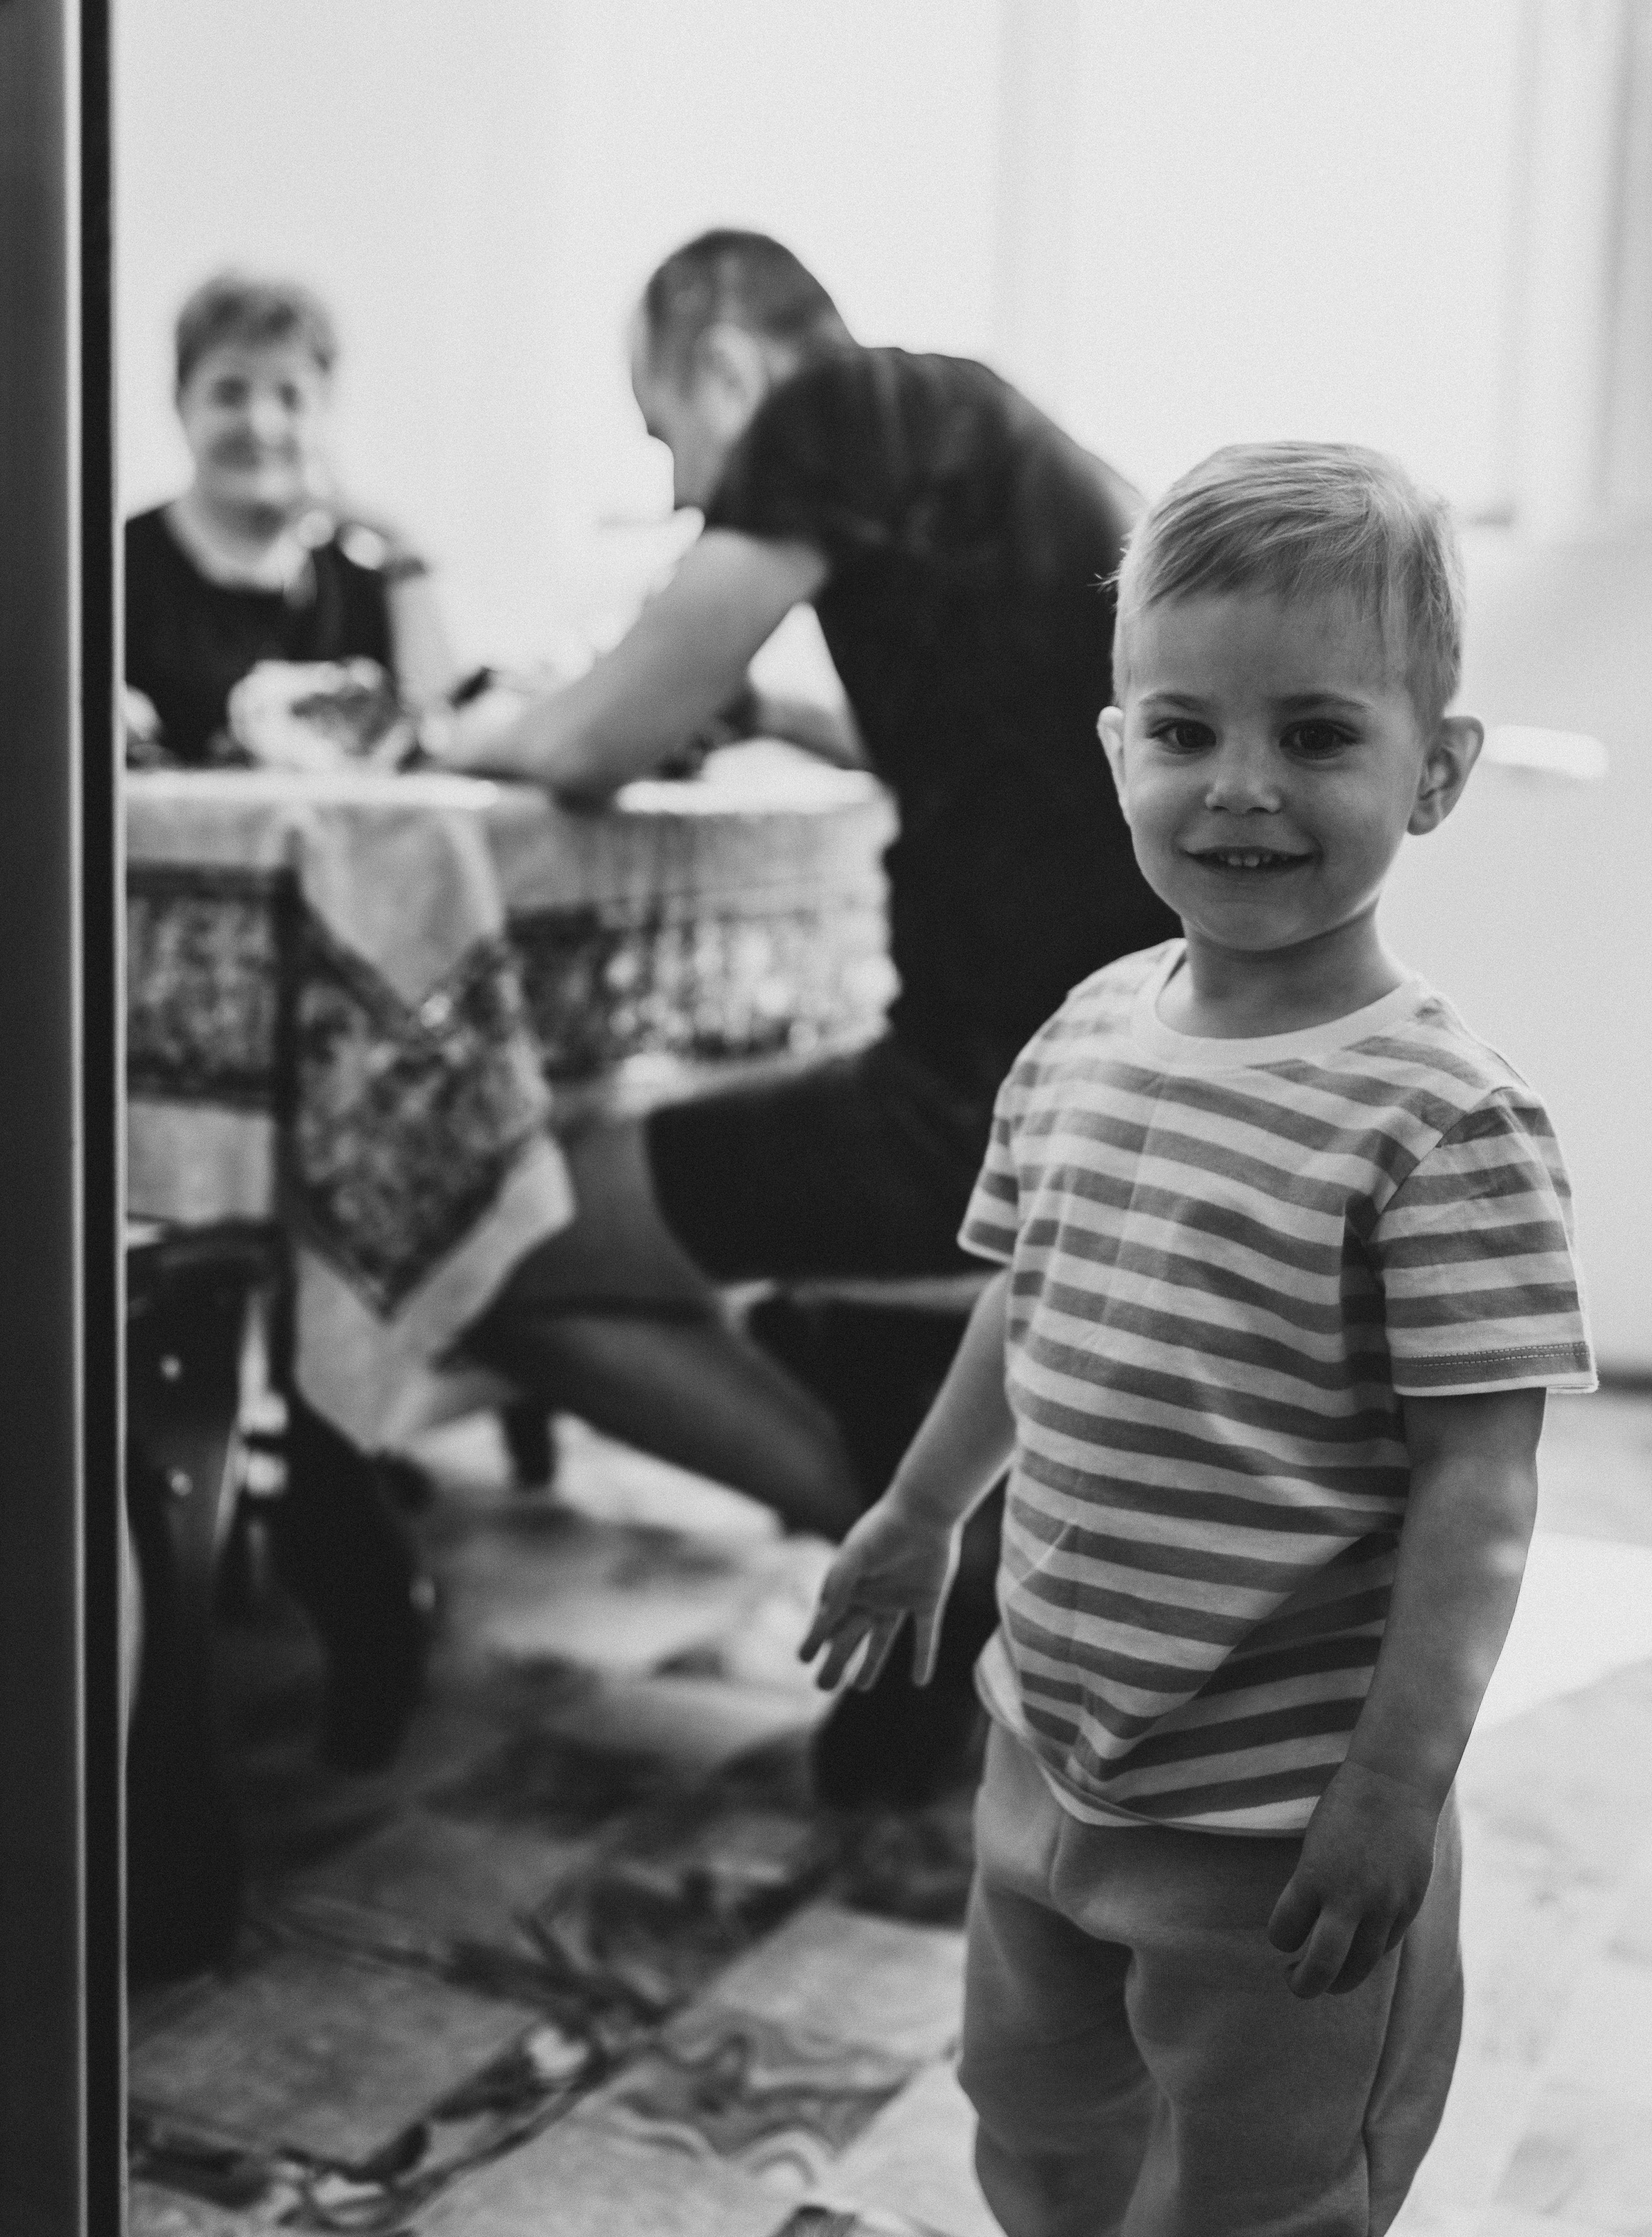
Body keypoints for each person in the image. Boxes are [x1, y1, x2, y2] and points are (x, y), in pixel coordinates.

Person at [801, 441, 1596, 2235]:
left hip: (1281, 1828)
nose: (1242, 789)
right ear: (1117, 753)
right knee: (1041, 2132)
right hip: (1050, 1753)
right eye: (1185, 733)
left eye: (1318, 736)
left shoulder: (1444, 1117)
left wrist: (1397, 1786)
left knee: (1261, 2189)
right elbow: (1029, 1299)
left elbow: (1481, 1485)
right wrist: (923, 1516)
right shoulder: (1083, 1036)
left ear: (1437, 768)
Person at [447, 228, 1177, 1803]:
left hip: (975, 1108)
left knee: (481, 1230)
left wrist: (484, 723)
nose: (680, 489)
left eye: (665, 433)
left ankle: (921, 1532)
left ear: (725, 359)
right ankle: (918, 1477)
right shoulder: (974, 436)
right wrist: (777, 707)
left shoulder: (825, 416)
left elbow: (597, 734)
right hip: (1089, 1080)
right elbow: (979, 714)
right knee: (612, 1146)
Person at [125, 273, 458, 762]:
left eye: (290, 396)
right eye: (230, 393)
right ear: (180, 403)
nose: (262, 424)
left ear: (325, 413)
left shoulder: (360, 583)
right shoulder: (113, 572)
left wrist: (402, 550)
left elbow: (441, 734)